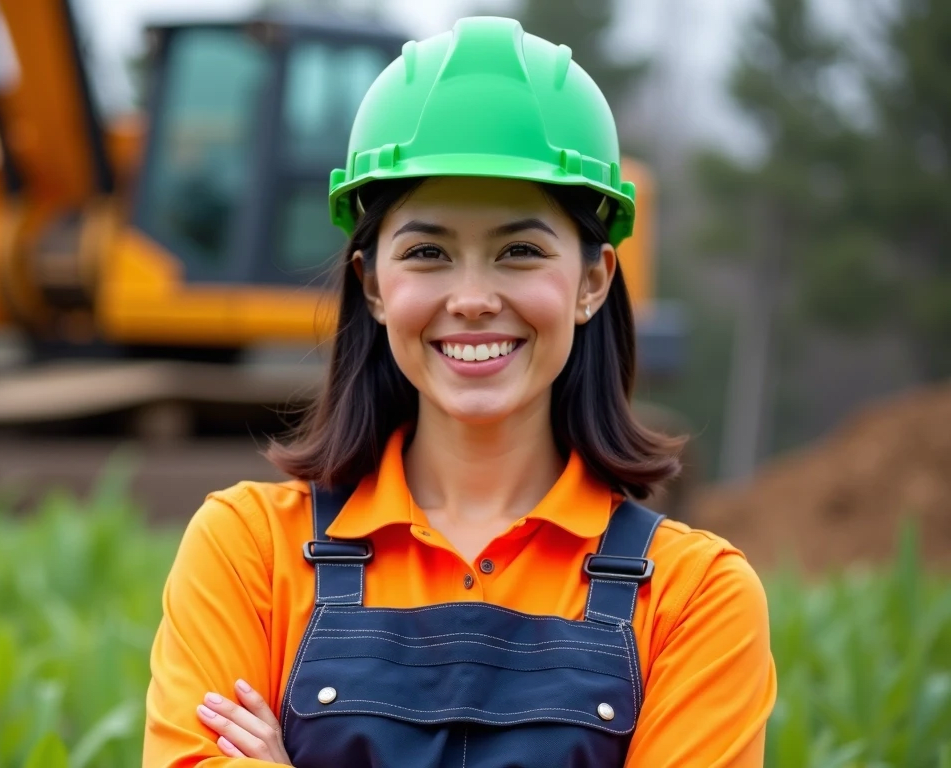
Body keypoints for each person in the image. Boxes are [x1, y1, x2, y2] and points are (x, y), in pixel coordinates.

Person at [142, 16, 776, 767]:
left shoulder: (695, 598)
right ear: (373, 285)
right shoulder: (246, 551)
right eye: (428, 252)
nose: (472, 298)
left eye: (519, 251)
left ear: (594, 281)